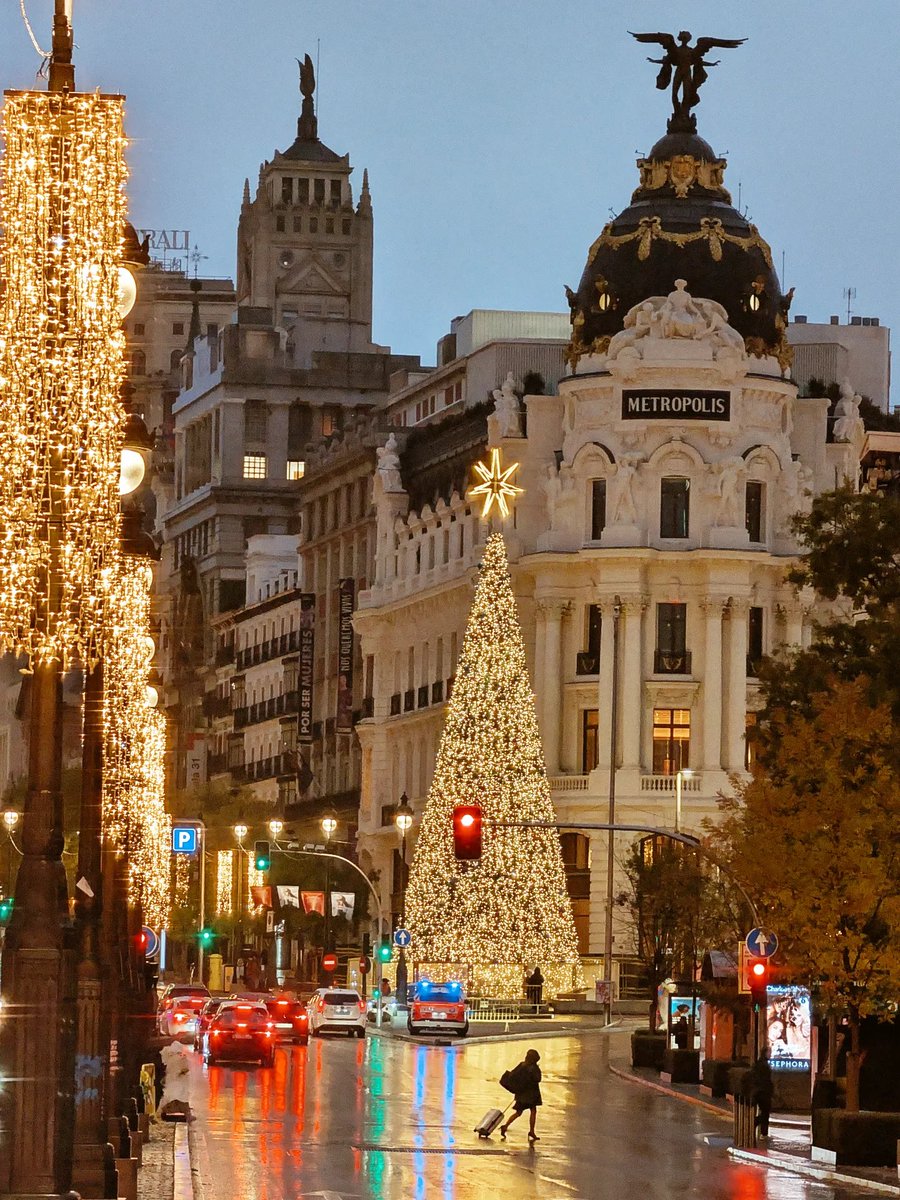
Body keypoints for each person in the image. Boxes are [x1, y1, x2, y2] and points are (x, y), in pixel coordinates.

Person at [499, 1048, 542, 1142]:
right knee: (533, 1111)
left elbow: (513, 1075)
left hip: (521, 1094)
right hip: (532, 1095)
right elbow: (538, 1079)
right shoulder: (533, 1068)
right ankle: (531, 1131)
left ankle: (505, 1126)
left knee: (518, 1112)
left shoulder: (522, 1065)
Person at [744, 1052, 773, 1136]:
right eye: (769, 1053)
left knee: (765, 1112)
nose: (770, 1054)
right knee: (765, 1112)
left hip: (760, 1092)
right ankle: (757, 1125)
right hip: (763, 1092)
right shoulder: (763, 1065)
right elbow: (765, 1080)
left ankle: (762, 1130)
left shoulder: (759, 1064)